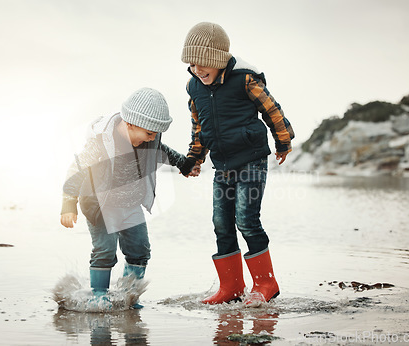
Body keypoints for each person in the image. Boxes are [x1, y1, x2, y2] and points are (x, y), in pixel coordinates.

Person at [178, 22, 295, 307]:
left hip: (252, 161)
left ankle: (266, 283)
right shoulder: (194, 87)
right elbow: (199, 127)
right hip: (222, 166)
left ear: (217, 59)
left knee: (246, 219)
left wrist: (283, 141)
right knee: (221, 223)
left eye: (202, 63)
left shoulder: (244, 79)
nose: (196, 69)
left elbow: (272, 110)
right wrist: (195, 158)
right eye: (191, 63)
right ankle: (231, 287)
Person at [60, 87, 190, 309]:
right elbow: (77, 168)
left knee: (140, 249)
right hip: (100, 203)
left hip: (130, 203)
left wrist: (185, 164)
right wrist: (68, 204)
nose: (153, 138)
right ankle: (99, 295)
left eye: (155, 134)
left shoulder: (151, 138)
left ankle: (129, 295)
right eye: (149, 133)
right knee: (105, 249)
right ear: (130, 122)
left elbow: (163, 151)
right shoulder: (101, 141)